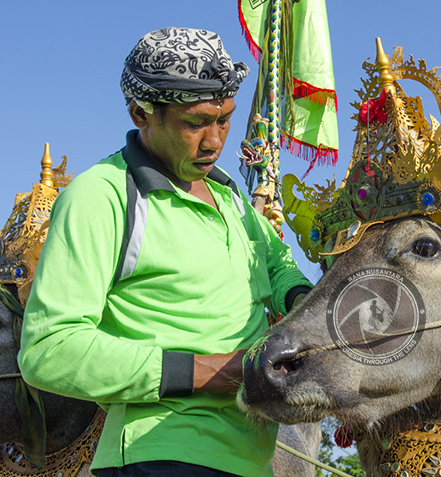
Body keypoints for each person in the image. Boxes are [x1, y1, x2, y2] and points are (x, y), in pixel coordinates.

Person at [18, 27, 312, 477]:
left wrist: (309, 306)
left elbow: (278, 266)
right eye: (194, 123)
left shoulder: (230, 197)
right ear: (142, 114)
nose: (214, 141)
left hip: (251, 460)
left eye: (225, 119)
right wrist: (208, 372)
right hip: (159, 455)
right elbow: (48, 349)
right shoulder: (104, 195)